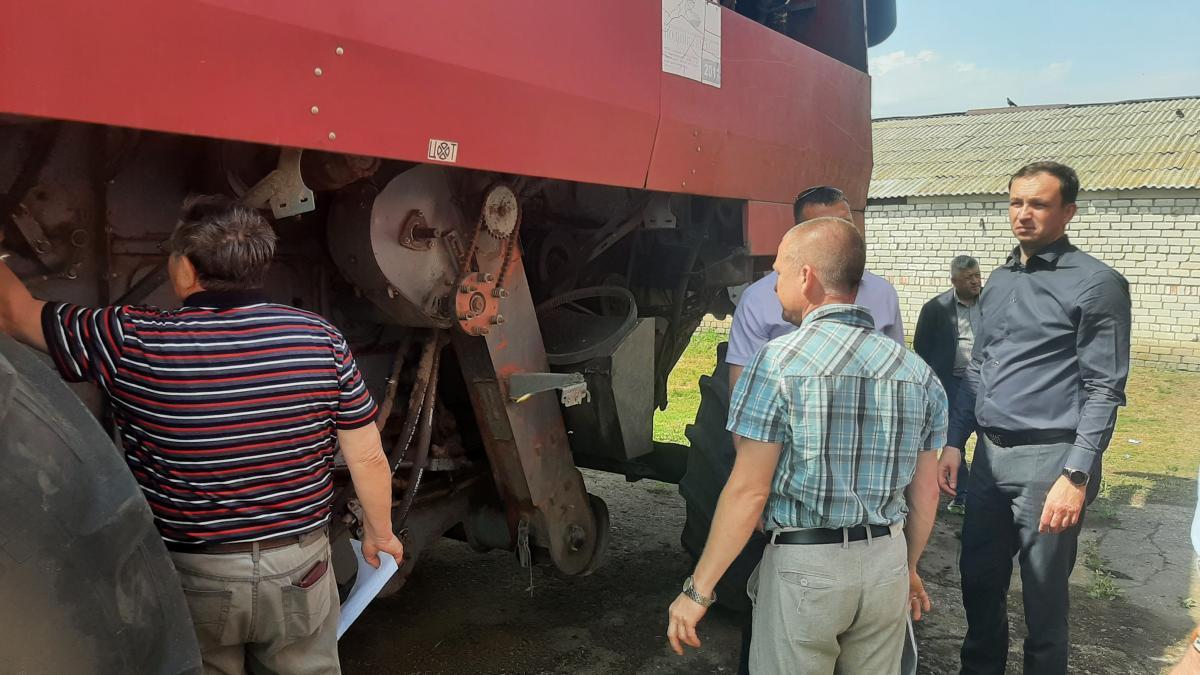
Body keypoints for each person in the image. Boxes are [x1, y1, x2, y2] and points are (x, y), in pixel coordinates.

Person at [0, 196, 404, 674]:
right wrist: (380, 533)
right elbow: (367, 456)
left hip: (195, 576)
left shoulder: (128, 337)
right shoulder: (319, 337)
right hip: (301, 570)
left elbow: (14, 314)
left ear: (187, 269)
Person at [666, 217, 945, 674]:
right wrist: (909, 567)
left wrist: (698, 590)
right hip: (886, 565)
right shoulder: (915, 371)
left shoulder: (777, 364)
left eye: (778, 273)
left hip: (806, 571)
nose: (773, 287)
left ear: (806, 277)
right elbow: (926, 492)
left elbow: (749, 491)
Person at [939, 161, 1131, 674]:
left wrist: (1076, 474)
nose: (1023, 214)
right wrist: (956, 441)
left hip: (1050, 463)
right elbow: (978, 368)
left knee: (1043, 602)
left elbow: (1103, 388)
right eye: (1016, 202)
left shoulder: (1096, 285)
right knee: (978, 582)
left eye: (1038, 204)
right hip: (988, 461)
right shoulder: (998, 280)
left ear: (1067, 211)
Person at [726, 185, 904, 392]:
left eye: (846, 224)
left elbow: (897, 371)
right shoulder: (759, 299)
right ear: (800, 234)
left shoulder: (883, 294)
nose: (839, 236)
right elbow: (743, 387)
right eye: (824, 229)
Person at [913, 255, 982, 514]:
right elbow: (921, 345)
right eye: (969, 278)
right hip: (953, 384)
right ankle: (961, 495)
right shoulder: (935, 308)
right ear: (954, 281)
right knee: (955, 440)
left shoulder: (992, 302)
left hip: (989, 384)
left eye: (977, 275)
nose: (976, 281)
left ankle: (985, 493)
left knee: (989, 438)